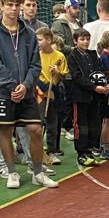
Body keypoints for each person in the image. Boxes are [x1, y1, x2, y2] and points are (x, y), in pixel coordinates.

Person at [0, 0, 58, 190]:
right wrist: (11, 86)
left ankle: (38, 172)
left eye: (17, 5)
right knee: (6, 131)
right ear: (1, 6)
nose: (14, 9)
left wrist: (25, 85)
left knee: (35, 129)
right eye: (9, 5)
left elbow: (35, 63)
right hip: (2, 92)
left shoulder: (29, 33)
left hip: (26, 91)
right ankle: (11, 172)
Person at [65, 28, 105, 167]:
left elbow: (100, 71)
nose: (85, 42)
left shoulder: (93, 54)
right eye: (82, 39)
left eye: (87, 39)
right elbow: (77, 77)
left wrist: (106, 83)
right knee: (81, 126)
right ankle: (81, 153)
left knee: (94, 125)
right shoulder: (72, 57)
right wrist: (93, 87)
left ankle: (89, 150)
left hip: (94, 97)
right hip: (80, 96)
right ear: (75, 41)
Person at [36, 27, 67, 164]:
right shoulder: (36, 55)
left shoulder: (59, 56)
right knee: (39, 122)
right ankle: (38, 152)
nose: (37, 43)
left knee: (52, 122)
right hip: (38, 92)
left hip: (52, 92)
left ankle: (52, 151)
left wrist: (57, 72)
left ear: (48, 40)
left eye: (40, 40)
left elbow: (63, 76)